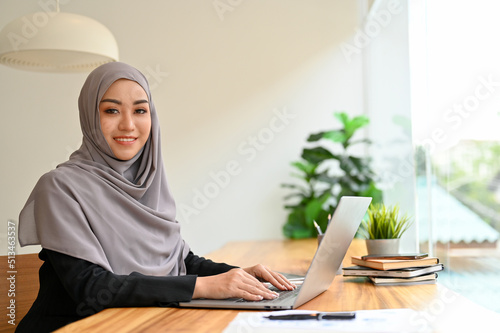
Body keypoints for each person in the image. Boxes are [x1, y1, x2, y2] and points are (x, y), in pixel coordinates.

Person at [16, 62, 295, 332]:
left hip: (144, 324)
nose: (128, 125)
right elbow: (93, 289)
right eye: (112, 110)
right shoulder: (59, 187)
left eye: (140, 110)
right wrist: (204, 287)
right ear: (89, 116)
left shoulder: (147, 183)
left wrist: (242, 276)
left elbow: (180, 261)